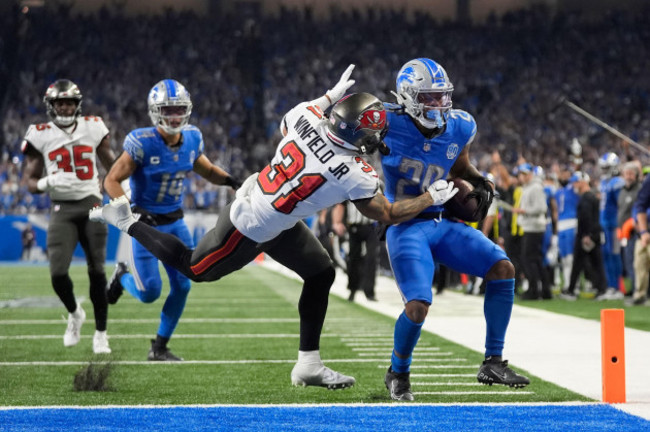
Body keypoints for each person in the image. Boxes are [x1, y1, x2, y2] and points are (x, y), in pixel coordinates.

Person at [90, 65, 456, 390]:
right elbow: (388, 213)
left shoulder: (306, 119)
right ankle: (129, 222)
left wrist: (330, 95)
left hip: (275, 208)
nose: (377, 142)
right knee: (193, 268)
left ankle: (308, 365)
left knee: (321, 273)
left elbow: (309, 110)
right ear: (360, 136)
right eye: (373, 136)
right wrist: (429, 198)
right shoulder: (352, 172)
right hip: (252, 223)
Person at [380, 58, 529, 401]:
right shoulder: (385, 121)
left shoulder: (459, 125)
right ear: (407, 96)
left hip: (441, 220)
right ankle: (397, 372)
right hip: (405, 226)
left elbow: (459, 164)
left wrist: (478, 179)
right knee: (417, 305)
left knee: (502, 267)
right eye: (429, 98)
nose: (438, 105)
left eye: (441, 96)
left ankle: (493, 361)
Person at [102, 79, 241, 361]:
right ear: (156, 112)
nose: (175, 116)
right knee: (149, 293)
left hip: (176, 223)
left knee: (185, 284)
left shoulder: (191, 138)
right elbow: (111, 180)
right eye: (169, 110)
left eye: (179, 109)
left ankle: (159, 347)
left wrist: (234, 182)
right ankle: (122, 276)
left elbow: (208, 170)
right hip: (146, 225)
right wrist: (130, 214)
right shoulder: (141, 143)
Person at [21, 79, 117, 354]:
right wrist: (45, 183)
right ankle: (75, 314)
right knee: (57, 272)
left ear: (78, 105)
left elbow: (112, 164)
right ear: (51, 106)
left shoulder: (93, 127)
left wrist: (124, 190)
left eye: (69, 103)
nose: (65, 107)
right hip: (62, 207)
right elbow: (29, 180)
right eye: (60, 103)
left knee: (97, 271)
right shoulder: (40, 134)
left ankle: (101, 333)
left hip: (92, 204)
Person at [562, 172, 607, 300]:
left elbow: (586, 218)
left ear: (582, 182)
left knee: (587, 263)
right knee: (592, 262)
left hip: (587, 235)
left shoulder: (586, 198)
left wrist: (587, 234)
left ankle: (573, 290)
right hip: (591, 233)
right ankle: (599, 289)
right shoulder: (589, 196)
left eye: (576, 182)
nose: (574, 185)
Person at [513, 163, 551, 300]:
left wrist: (524, 211)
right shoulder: (530, 187)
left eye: (523, 174)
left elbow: (542, 208)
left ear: (529, 174)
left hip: (533, 227)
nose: (521, 177)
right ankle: (545, 291)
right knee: (536, 260)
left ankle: (533, 290)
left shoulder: (535, 187)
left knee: (528, 259)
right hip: (532, 226)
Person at [331, 201, 379, 302]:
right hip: (354, 227)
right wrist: (337, 222)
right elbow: (340, 204)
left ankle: (369, 292)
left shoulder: (378, 186)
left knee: (372, 258)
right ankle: (353, 289)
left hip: (371, 227)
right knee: (353, 259)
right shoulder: (350, 186)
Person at [598, 152, 625, 299]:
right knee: (606, 255)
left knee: (614, 255)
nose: (604, 170)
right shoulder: (604, 183)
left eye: (606, 167)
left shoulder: (617, 182)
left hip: (614, 224)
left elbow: (620, 205)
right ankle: (611, 286)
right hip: (604, 224)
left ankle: (618, 288)